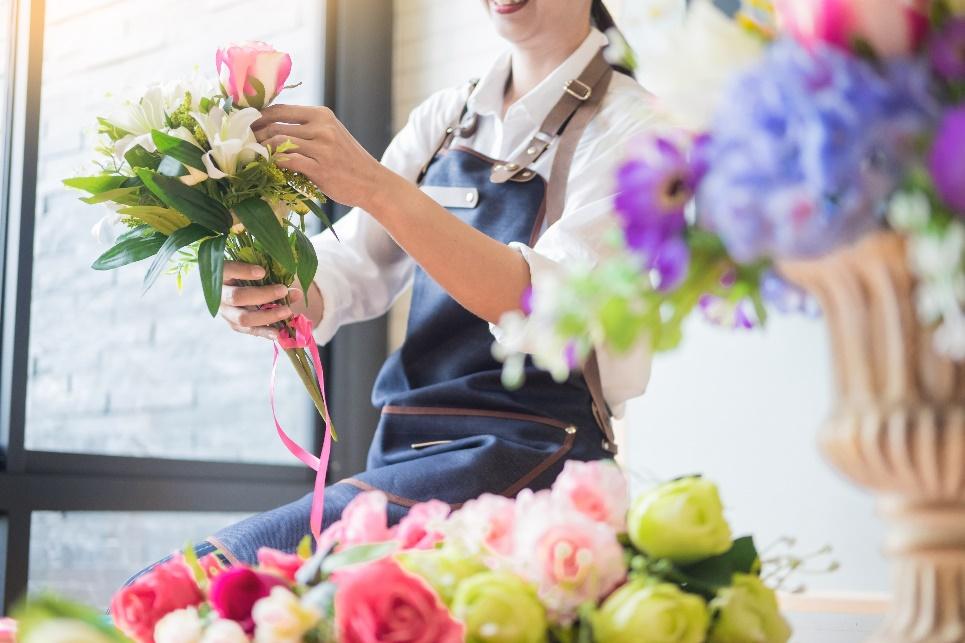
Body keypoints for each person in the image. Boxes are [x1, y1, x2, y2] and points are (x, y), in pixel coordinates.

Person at [136, 0, 657, 574]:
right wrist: (278, 292)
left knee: (196, 580)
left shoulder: (637, 128)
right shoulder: (446, 117)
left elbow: (543, 306)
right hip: (405, 450)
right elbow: (353, 265)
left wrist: (376, 185)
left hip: (534, 466)